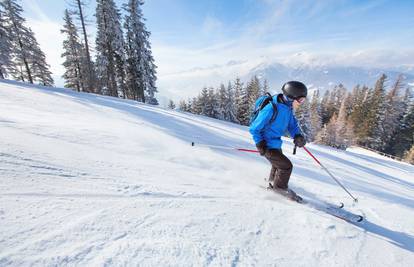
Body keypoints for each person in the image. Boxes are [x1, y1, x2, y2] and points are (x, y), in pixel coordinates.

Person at [249, 81, 307, 199]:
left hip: (275, 143)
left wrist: (297, 135)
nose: (301, 103)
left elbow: (292, 124)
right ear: (291, 97)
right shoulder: (271, 108)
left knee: (277, 165)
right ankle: (280, 189)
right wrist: (260, 144)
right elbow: (254, 128)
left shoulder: (287, 107)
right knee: (286, 166)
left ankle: (271, 182)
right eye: (300, 100)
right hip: (267, 144)